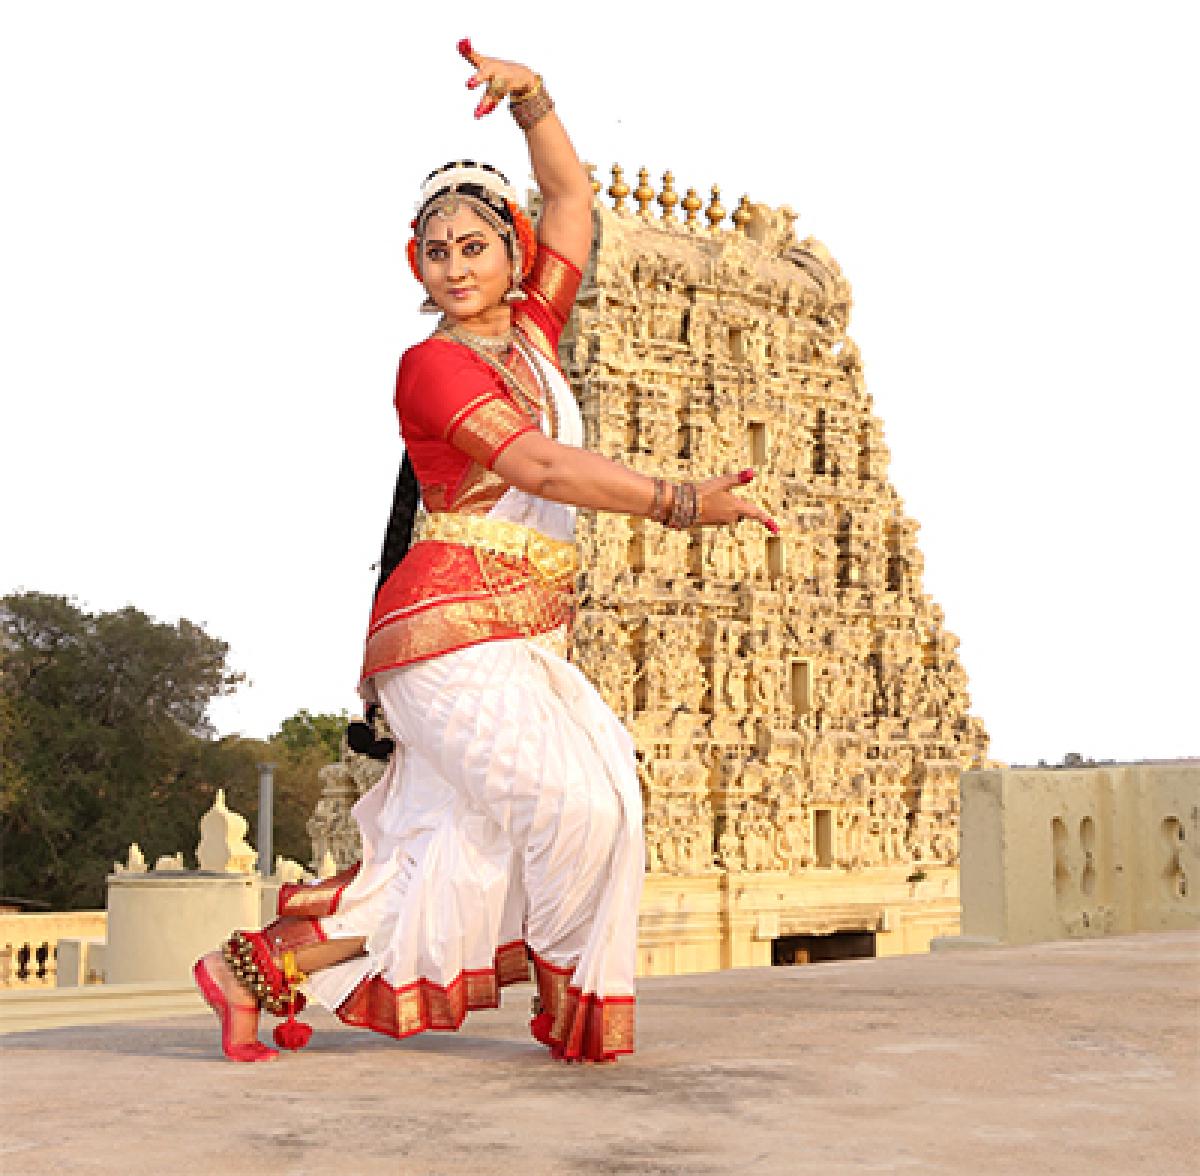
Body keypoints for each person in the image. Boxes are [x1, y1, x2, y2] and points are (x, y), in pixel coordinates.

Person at [192, 38, 777, 1065]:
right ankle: (565, 993)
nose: (456, 267)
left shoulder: (536, 338)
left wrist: (534, 100)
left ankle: (254, 971)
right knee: (581, 809)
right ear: (414, 264)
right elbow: (542, 471)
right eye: (437, 252)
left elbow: (571, 200)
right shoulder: (432, 366)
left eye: (474, 246)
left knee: (452, 855)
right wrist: (684, 501)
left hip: (527, 637)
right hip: (449, 641)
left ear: (510, 253)